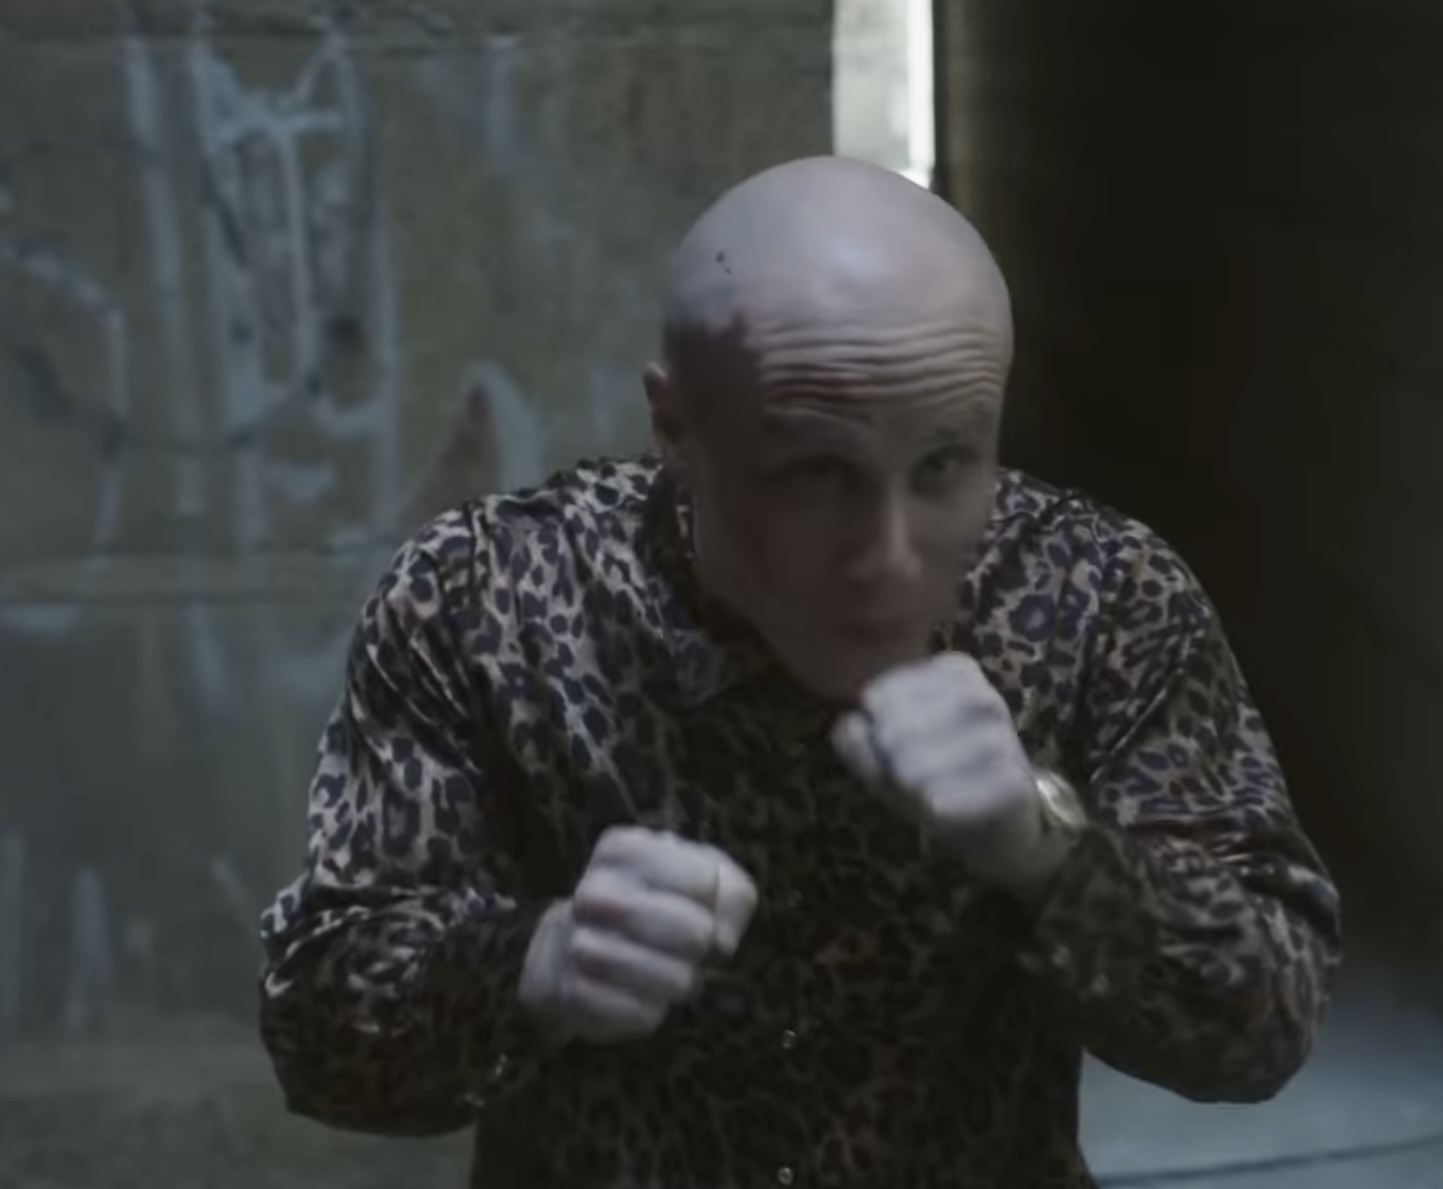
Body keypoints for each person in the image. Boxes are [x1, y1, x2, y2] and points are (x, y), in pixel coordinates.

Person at [256, 155, 1343, 1188]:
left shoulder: (1100, 595)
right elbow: (319, 1023)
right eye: (817, 472)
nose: (889, 556)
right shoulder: (483, 598)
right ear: (676, 426)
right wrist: (537, 965)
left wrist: (1045, 848)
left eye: (944, 463)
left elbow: (1263, 1023)